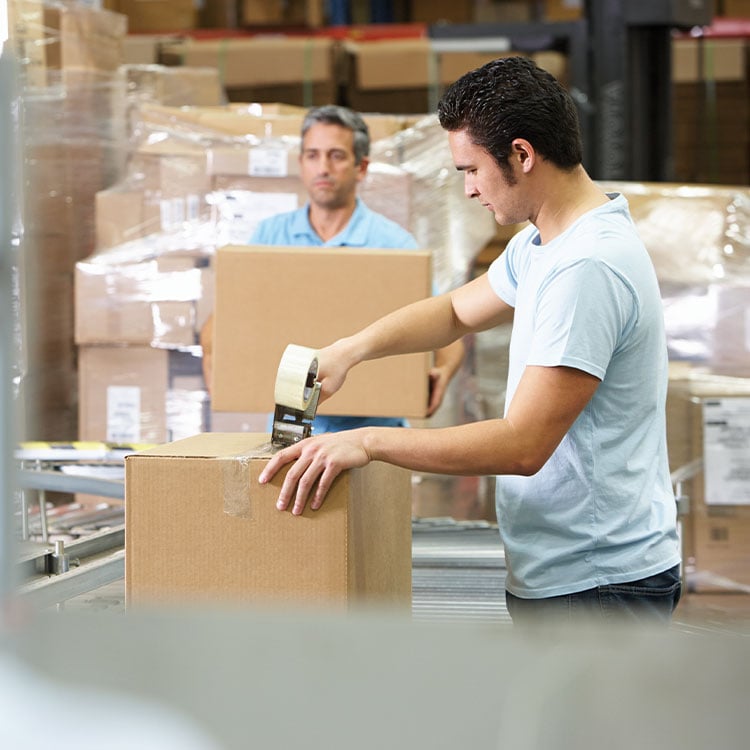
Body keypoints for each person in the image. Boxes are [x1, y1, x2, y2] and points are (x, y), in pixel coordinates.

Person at [259, 57, 682, 626]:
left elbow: (522, 445)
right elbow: (456, 310)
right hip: (566, 569)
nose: (468, 190)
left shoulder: (587, 267)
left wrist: (369, 444)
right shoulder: (543, 245)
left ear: (523, 154)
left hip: (599, 580)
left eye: (472, 170)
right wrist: (349, 351)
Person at [201, 104, 464, 431]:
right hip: (290, 428)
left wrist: (444, 370)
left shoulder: (393, 246)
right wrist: (217, 366)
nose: (323, 167)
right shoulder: (270, 238)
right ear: (301, 164)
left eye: (336, 156)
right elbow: (223, 323)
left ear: (361, 167)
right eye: (312, 155)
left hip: (375, 433)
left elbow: (446, 329)